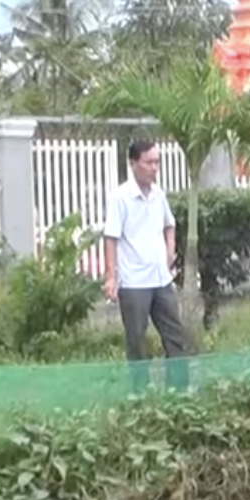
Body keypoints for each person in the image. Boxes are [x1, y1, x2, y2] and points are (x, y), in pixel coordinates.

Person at [102, 139, 189, 390]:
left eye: (157, 162)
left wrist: (169, 252)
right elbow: (111, 238)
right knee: (137, 342)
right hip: (133, 283)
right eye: (149, 162)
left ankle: (179, 392)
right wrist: (111, 277)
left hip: (161, 279)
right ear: (133, 164)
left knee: (175, 338)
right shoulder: (120, 197)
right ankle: (140, 394)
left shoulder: (158, 194)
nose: (154, 168)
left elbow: (169, 225)